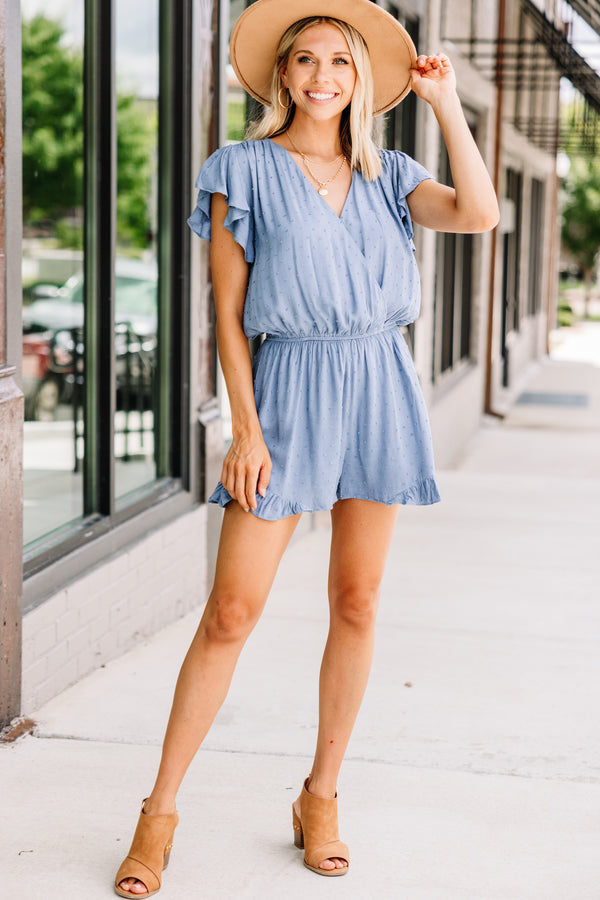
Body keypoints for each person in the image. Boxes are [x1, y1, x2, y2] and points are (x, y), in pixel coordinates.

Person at [114, 0, 499, 894]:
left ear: (362, 80)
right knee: (231, 613)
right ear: (282, 76)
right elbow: (225, 312)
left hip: (378, 385)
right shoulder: (240, 169)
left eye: (341, 62)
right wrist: (243, 428)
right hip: (285, 394)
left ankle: (320, 797)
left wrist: (444, 105)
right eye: (307, 61)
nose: (324, 76)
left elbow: (479, 213)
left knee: (357, 602)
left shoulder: (392, 172)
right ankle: (159, 812)